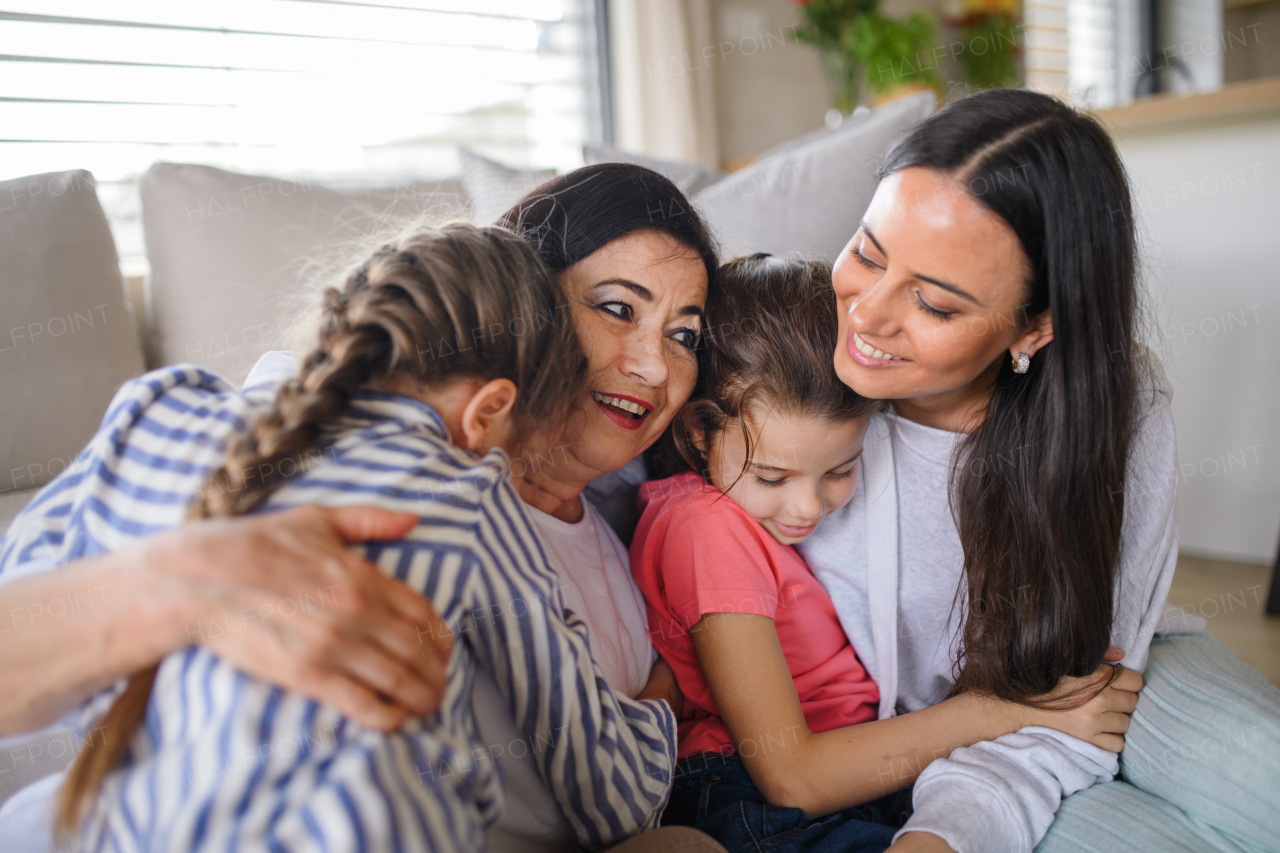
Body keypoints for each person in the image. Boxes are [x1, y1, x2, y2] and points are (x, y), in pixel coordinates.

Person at [0, 224, 681, 851]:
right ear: (489, 410)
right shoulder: (464, 490)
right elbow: (608, 792)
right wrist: (664, 700)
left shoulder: (159, 407)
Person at [796, 88, 1279, 853]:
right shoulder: (794, 404)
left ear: (1036, 327)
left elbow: (1094, 676)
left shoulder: (1121, 398)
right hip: (938, 745)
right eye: (867, 252)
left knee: (1263, 774)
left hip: (1113, 676)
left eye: (935, 303)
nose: (867, 315)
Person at [630, 255, 1141, 853]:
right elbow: (793, 777)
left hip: (861, 772)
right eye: (772, 476)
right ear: (697, 432)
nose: (807, 508)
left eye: (840, 470)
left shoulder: (742, 515)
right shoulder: (704, 528)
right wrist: (1013, 710)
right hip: (749, 796)